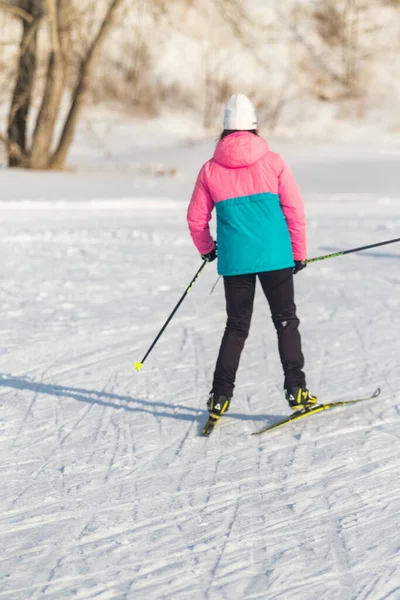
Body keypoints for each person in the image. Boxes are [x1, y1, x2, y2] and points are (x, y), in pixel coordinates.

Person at [187, 93, 317, 423]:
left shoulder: (209, 170)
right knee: (286, 320)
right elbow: (294, 210)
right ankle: (296, 390)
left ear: (224, 131)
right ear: (255, 128)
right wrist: (298, 253)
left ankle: (219, 397)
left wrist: (207, 249)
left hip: (235, 263)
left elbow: (195, 218)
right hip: (276, 258)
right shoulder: (273, 161)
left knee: (236, 327)